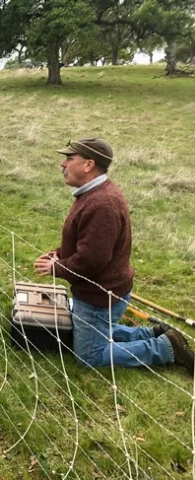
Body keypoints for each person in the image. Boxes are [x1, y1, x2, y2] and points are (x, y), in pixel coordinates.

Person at [34, 138, 193, 373]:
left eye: (69, 159)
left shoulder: (102, 203)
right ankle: (154, 332)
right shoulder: (93, 194)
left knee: (90, 355)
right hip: (99, 291)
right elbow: (86, 242)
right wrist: (58, 255)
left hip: (99, 296)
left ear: (88, 165)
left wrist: (56, 268)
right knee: (93, 331)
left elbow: (92, 260)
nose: (62, 164)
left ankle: (164, 348)